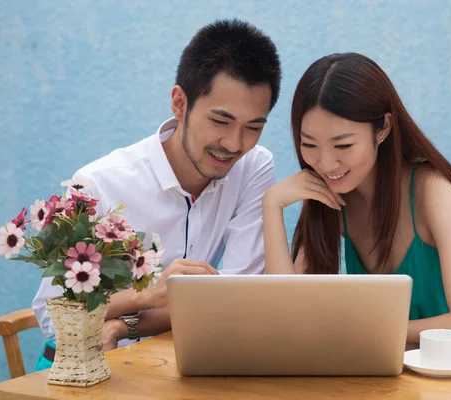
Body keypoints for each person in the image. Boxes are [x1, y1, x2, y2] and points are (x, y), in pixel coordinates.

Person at [32, 18, 282, 370]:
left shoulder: (254, 166)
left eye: (253, 127)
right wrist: (149, 295)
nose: (235, 144)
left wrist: (124, 323)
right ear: (179, 103)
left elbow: (236, 295)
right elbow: (52, 315)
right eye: (221, 122)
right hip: (89, 365)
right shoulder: (97, 184)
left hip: (179, 361)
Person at [262, 52, 451, 354]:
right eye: (309, 144)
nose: (325, 163)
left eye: (343, 145)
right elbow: (288, 316)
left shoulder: (432, 192)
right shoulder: (330, 199)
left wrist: (357, 329)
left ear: (384, 128)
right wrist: (271, 206)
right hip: (391, 378)